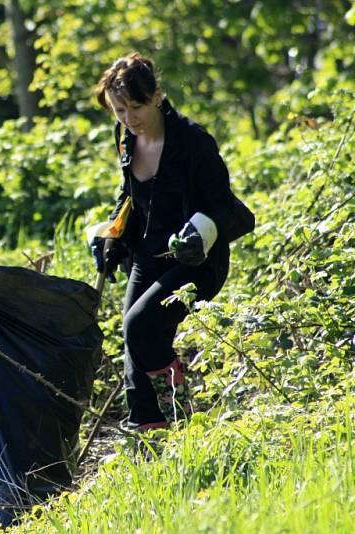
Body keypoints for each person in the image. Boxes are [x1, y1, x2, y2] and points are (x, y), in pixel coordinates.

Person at [90, 53, 238, 431]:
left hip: (196, 261)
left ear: (157, 96)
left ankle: (182, 414)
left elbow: (226, 207)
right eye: (119, 110)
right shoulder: (127, 140)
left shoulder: (193, 142)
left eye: (135, 107)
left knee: (140, 326)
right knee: (133, 343)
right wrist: (111, 235)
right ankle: (150, 435)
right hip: (146, 256)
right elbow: (130, 196)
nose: (128, 119)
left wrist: (201, 231)